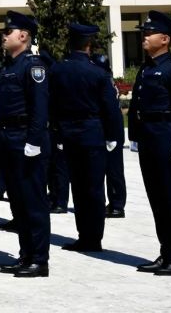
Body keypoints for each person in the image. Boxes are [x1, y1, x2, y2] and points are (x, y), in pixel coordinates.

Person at [128, 10, 171, 276]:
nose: (144, 36)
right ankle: (166, 251)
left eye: (149, 33)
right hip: (149, 138)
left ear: (165, 39)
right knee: (157, 198)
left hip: (168, 139)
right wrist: (134, 135)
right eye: (144, 32)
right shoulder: (147, 68)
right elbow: (136, 105)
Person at [49, 23, 124, 253]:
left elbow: (52, 104)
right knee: (93, 189)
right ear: (89, 46)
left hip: (68, 133)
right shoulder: (98, 73)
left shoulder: (57, 70)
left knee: (79, 188)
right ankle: (93, 238)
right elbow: (110, 109)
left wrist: (58, 132)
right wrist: (113, 136)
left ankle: (84, 235)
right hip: (93, 133)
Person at [0, 11, 51, 278]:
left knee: (33, 201)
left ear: (24, 36)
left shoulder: (33, 65)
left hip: (25, 138)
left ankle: (39, 259)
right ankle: (25, 254)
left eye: (9, 32)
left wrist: (34, 141)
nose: (4, 36)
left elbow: (40, 107)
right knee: (18, 202)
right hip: (7, 137)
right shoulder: (9, 66)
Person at [94, 52, 127, 218]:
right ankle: (114, 203)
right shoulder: (106, 79)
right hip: (110, 129)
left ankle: (117, 205)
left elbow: (112, 111)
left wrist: (112, 136)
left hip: (111, 131)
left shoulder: (104, 81)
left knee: (114, 170)